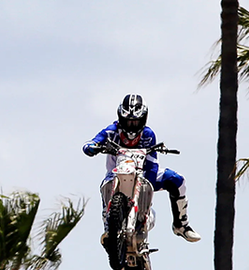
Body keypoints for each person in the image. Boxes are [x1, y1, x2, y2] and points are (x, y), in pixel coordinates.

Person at [82, 94, 201, 243]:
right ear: (120, 118)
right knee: (106, 186)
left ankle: (181, 225)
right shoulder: (112, 130)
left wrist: (148, 187)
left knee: (177, 180)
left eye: (135, 122)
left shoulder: (148, 134)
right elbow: (94, 141)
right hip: (116, 174)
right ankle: (108, 229)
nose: (131, 126)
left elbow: (152, 164)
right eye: (128, 122)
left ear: (143, 119)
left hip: (143, 174)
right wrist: (91, 147)